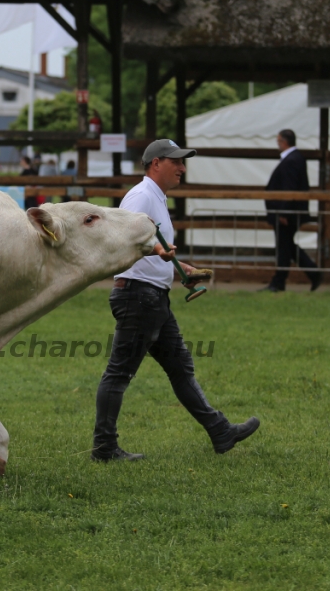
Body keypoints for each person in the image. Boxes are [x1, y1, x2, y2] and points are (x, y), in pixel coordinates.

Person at [92, 139, 260, 462]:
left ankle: (220, 432)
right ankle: (104, 448)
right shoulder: (142, 196)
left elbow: (152, 247)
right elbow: (124, 239)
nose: (183, 168)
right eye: (177, 162)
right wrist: (159, 258)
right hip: (139, 298)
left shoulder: (155, 197)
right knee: (118, 374)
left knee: (181, 369)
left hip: (152, 298)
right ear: (156, 164)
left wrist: (183, 270)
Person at [261, 129, 320, 292]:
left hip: (287, 214)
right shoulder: (295, 159)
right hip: (288, 212)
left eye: (278, 141)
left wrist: (283, 212)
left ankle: (280, 281)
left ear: (284, 142)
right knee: (287, 247)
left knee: (284, 247)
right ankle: (309, 274)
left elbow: (290, 188)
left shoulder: (291, 160)